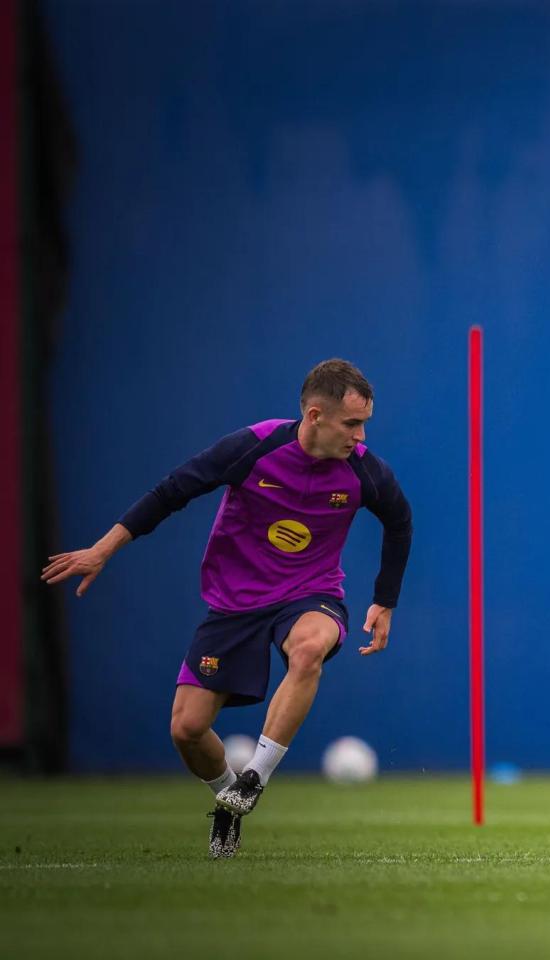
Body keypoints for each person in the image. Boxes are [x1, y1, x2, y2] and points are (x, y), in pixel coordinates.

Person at [41, 359, 413, 859]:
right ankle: (227, 798)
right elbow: (172, 492)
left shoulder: (364, 471)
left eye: (364, 422)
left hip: (310, 593)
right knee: (187, 730)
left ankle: (254, 779)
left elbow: (400, 521)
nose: (360, 434)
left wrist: (384, 602)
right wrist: (103, 549)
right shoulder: (254, 447)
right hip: (234, 603)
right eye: (351, 423)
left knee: (309, 649)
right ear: (314, 415)